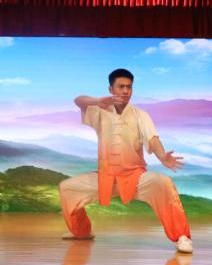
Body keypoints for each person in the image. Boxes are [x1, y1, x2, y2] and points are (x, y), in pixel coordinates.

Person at [59, 68, 193, 253]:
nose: (125, 91)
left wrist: (162, 156)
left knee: (164, 183)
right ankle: (81, 232)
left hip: (136, 178)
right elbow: (78, 100)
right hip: (105, 177)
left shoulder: (140, 115)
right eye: (121, 87)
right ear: (110, 89)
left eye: (129, 87)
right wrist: (97, 101)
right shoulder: (99, 111)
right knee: (67, 188)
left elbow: (153, 139)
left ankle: (182, 237)